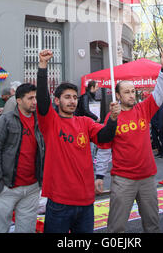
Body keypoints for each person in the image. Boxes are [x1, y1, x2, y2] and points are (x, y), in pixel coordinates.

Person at [36, 49, 121, 234]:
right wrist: (42, 66)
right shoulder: (50, 122)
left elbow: (105, 137)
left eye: (75, 97)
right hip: (59, 202)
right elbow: (42, 100)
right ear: (57, 101)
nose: (72, 101)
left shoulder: (85, 122)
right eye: (67, 97)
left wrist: (113, 119)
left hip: (86, 201)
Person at [95, 53, 163, 233]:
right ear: (118, 95)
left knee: (152, 225)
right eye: (127, 92)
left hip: (148, 178)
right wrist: (99, 175)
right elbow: (104, 148)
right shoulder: (111, 117)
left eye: (133, 91)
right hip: (122, 180)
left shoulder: (144, 109)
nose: (131, 95)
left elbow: (159, 92)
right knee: (116, 227)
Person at [0, 83, 45, 233]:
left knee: (26, 229)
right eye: (30, 98)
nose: (34, 102)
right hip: (7, 187)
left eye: (36, 98)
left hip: (32, 188)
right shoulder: (6, 120)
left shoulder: (40, 120)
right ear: (18, 100)